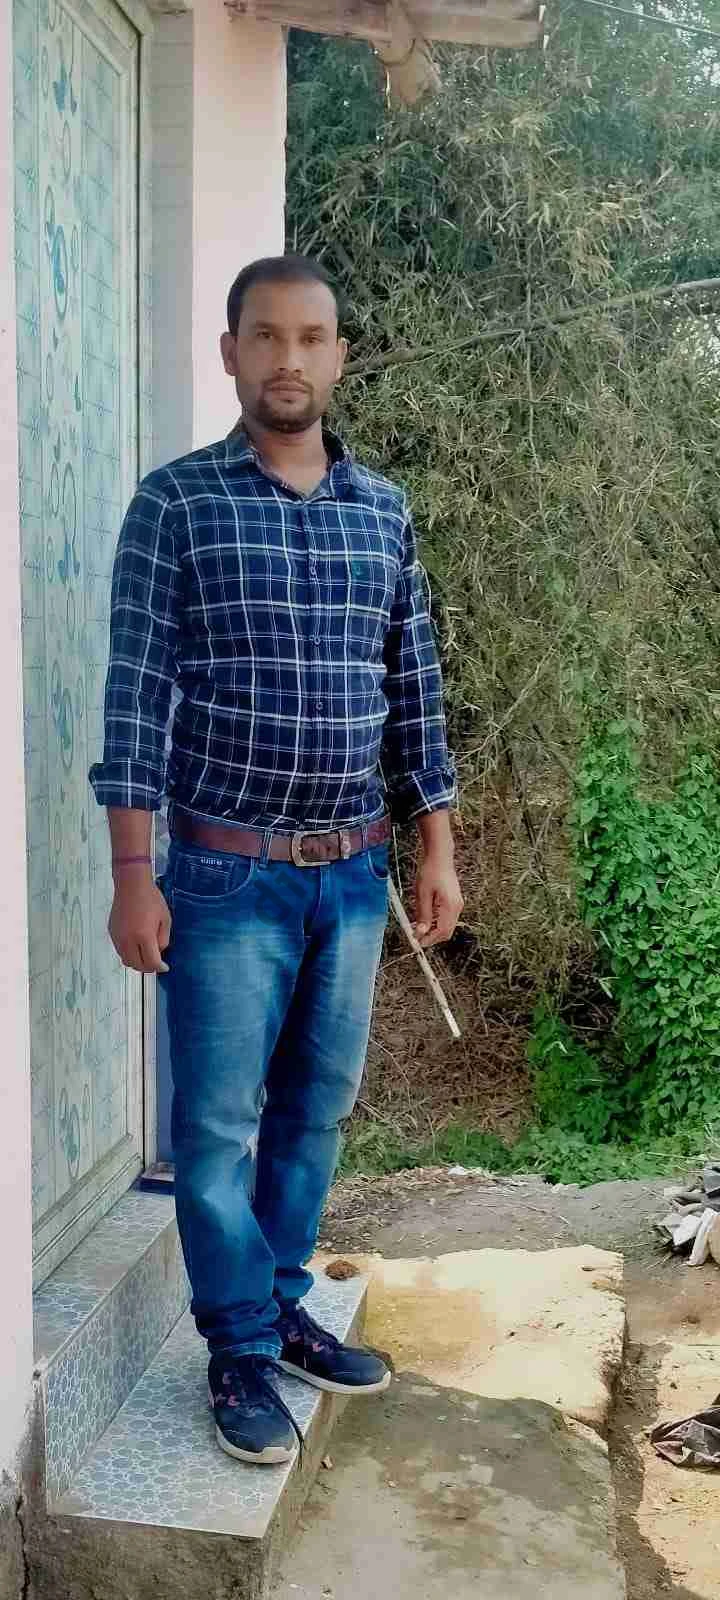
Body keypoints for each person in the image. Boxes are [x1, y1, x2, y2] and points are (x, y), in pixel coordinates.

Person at [90, 254, 462, 1467]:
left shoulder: (383, 512)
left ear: (340, 356)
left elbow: (415, 688)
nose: (288, 359)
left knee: (314, 1111)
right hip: (221, 876)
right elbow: (137, 693)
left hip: (351, 877)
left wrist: (436, 845)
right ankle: (239, 1347)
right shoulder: (176, 505)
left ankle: (282, 1300)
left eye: (310, 337)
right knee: (215, 1130)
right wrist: (131, 871)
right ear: (231, 353)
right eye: (265, 336)